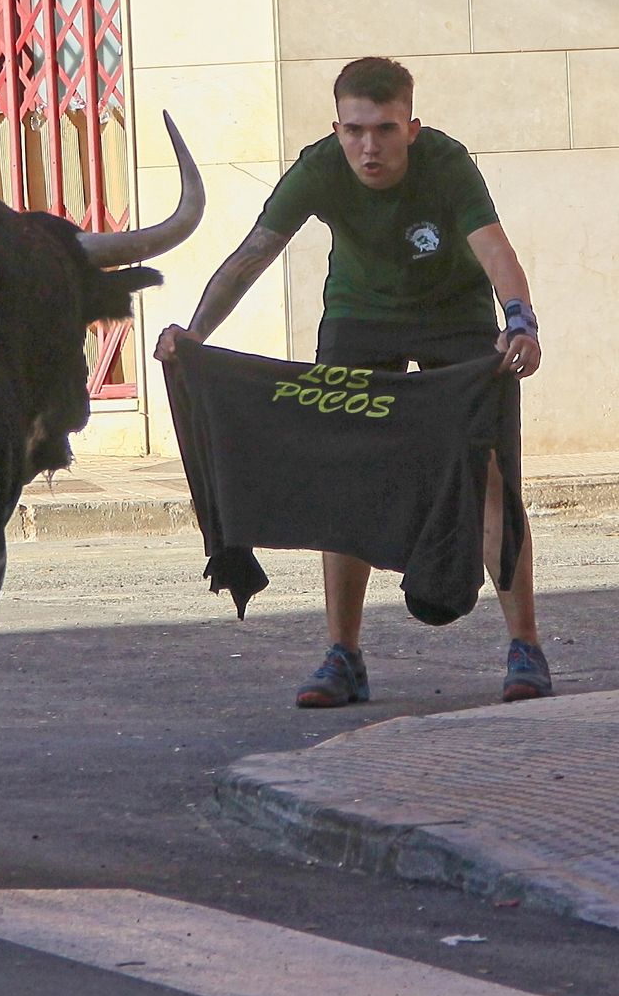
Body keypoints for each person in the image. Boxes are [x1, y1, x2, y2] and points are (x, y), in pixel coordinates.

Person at [155, 56, 549, 707]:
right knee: (345, 478)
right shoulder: (319, 167)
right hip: (360, 321)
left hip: (453, 316)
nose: (370, 146)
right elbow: (253, 253)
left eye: (386, 130)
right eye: (356, 130)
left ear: (411, 127)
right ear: (337, 127)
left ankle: (525, 647)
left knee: (490, 476)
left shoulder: (447, 165)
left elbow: (495, 250)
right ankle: (344, 656)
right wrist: (196, 332)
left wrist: (522, 322)